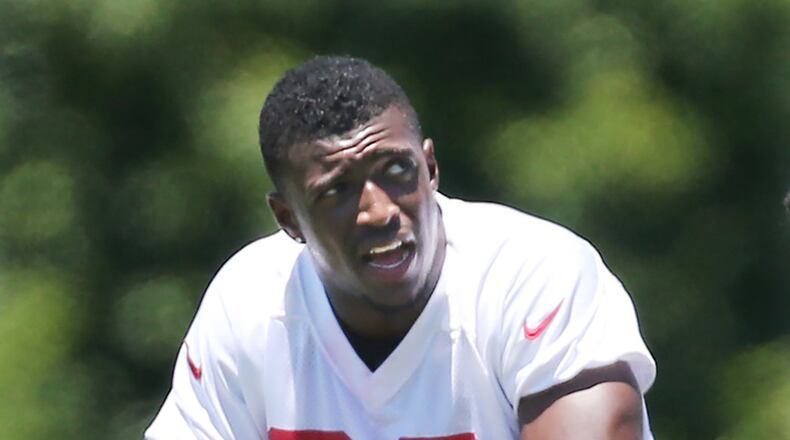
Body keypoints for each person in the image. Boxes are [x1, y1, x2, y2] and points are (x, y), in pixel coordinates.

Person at [146, 56, 656, 439]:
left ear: (430, 169)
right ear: (288, 219)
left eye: (396, 171)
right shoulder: (249, 306)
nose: (379, 211)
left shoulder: (533, 277)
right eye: (336, 192)